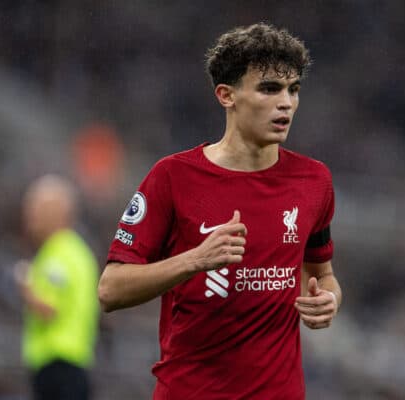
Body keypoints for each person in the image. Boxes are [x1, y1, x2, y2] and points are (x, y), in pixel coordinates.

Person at [98, 22, 342, 400]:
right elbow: (110, 290)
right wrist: (194, 260)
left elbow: (322, 273)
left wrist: (329, 299)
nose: (286, 103)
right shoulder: (173, 177)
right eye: (269, 88)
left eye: (293, 90)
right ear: (226, 95)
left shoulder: (315, 181)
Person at [15, 175, 99, 400]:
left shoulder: (59, 254)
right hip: (69, 364)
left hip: (59, 364)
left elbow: (49, 309)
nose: (30, 215)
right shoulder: (73, 251)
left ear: (60, 211)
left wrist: (25, 286)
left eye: (37, 207)